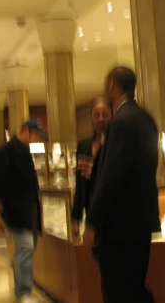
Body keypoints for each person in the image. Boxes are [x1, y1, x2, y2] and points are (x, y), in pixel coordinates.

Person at [85, 67, 161, 303]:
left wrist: (93, 221)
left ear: (111, 85)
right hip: (141, 225)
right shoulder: (146, 119)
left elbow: (111, 179)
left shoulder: (121, 122)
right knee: (136, 288)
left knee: (118, 292)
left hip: (119, 229)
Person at [0, 119, 45, 303]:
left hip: (30, 211)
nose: (36, 140)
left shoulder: (25, 153)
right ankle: (23, 292)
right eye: (36, 135)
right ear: (26, 131)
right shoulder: (5, 151)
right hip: (16, 211)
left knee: (28, 248)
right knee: (25, 247)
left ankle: (23, 290)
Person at [71, 96, 111, 239]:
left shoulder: (114, 145)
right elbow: (80, 186)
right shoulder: (84, 146)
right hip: (91, 214)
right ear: (92, 119)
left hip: (112, 215)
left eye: (105, 114)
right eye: (96, 115)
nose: (101, 119)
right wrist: (76, 218)